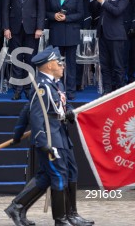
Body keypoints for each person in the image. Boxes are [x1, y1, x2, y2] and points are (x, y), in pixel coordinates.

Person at [6, 46, 94, 226]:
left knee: (68, 172)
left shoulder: (56, 83)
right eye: (58, 62)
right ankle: (61, 219)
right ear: (48, 66)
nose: (62, 65)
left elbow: (61, 105)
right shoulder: (42, 87)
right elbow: (35, 114)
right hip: (50, 135)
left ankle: (70, 214)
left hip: (61, 133)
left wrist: (68, 112)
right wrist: (41, 140)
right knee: (58, 175)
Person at [2, 0, 45, 100]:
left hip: (32, 29)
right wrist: (6, 27)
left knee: (30, 59)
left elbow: (41, 9)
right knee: (16, 58)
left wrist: (39, 27)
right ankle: (17, 89)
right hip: (14, 28)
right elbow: (5, 9)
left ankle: (29, 88)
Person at [89, 0, 129, 94]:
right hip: (103, 34)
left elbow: (117, 11)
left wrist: (102, 1)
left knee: (118, 66)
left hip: (116, 35)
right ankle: (107, 92)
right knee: (105, 65)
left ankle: (120, 92)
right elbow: (95, 10)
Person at [46, 0, 84, 100]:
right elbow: (46, 11)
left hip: (71, 33)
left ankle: (71, 91)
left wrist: (67, 18)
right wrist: (54, 16)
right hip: (56, 32)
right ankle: (58, 90)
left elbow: (80, 14)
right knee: (56, 64)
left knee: (71, 64)